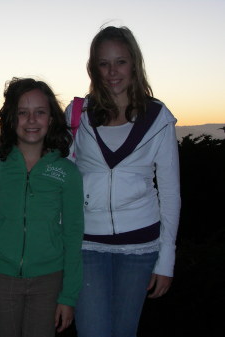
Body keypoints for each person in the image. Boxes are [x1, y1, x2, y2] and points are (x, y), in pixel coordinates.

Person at [64, 26, 181, 337]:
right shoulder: (78, 114)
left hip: (141, 247)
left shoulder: (158, 117)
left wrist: (166, 260)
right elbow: (62, 179)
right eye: (103, 63)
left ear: (135, 64)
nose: (112, 72)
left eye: (121, 62)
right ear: (93, 68)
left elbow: (170, 192)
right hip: (87, 244)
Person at [0, 77, 84, 337]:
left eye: (40, 112)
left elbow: (74, 236)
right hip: (0, 277)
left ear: (51, 118)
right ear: (11, 118)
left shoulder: (67, 172)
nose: (32, 120)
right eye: (23, 112)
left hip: (50, 280)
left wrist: (68, 297)